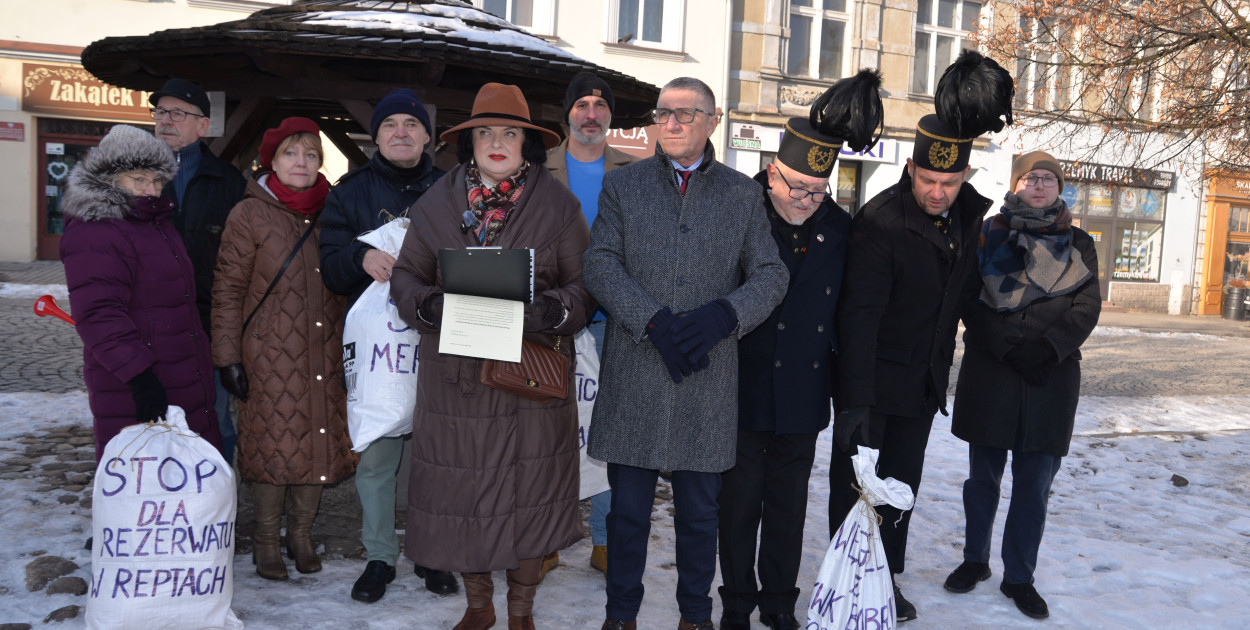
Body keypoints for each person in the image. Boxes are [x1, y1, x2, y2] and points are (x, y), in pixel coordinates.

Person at [583, 76, 789, 630]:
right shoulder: (623, 188)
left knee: (701, 516)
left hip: (707, 375)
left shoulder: (743, 194)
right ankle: (620, 615)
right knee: (627, 515)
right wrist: (651, 320)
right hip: (636, 370)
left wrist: (724, 316)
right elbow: (600, 263)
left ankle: (695, 617)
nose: (671, 124)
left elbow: (771, 274)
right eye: (664, 114)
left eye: (686, 114)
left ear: (713, 121)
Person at [389, 82, 590, 630]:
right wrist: (432, 308)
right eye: (485, 132)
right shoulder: (437, 202)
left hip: (529, 383)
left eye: (509, 132)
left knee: (530, 502)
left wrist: (547, 313)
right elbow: (406, 277)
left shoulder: (559, 206)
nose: (496, 142)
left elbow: (585, 286)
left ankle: (520, 612)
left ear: (527, 141)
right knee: (465, 501)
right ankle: (479, 607)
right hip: (458, 382)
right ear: (469, 141)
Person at [828, 50, 1015, 623]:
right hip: (875, 384)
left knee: (901, 490)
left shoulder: (967, 219)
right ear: (911, 171)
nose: (938, 192)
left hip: (923, 383)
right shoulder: (881, 223)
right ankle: (850, 582)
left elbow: (961, 301)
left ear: (964, 176)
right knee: (859, 491)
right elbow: (858, 317)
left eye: (949, 181)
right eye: (928, 180)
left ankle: (887, 580)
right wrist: (854, 400)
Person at [718, 71, 883, 630]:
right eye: (797, 189)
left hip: (803, 394)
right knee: (739, 507)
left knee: (788, 509)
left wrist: (853, 397)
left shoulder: (840, 228)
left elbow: (852, 318)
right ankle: (736, 603)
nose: (807, 201)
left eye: (819, 191)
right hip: (741, 386)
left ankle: (779, 604)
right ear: (771, 173)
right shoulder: (741, 216)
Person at [942, 151, 1100, 619]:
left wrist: (1047, 349)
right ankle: (975, 561)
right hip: (994, 371)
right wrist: (1009, 348)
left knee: (1034, 488)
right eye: (1030, 177)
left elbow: (1086, 307)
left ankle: (1019, 577)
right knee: (982, 480)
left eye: (1048, 178)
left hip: (1050, 378)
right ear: (1016, 185)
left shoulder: (1079, 242)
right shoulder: (987, 233)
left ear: (1060, 188)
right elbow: (968, 298)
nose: (1039, 184)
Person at [317, 88, 453, 602]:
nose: (401, 132)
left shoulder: (451, 189)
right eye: (390, 124)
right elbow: (329, 267)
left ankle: (431, 553)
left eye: (411, 125)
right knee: (377, 457)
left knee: (434, 457)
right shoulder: (349, 193)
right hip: (379, 353)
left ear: (426, 136)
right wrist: (359, 258)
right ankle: (379, 557)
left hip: (439, 342)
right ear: (376, 136)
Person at [210, 117, 357, 581]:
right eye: (291, 153)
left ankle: (301, 536)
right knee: (271, 447)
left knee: (318, 445)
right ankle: (268, 539)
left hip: (324, 350)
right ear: (271, 161)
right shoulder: (248, 214)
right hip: (268, 355)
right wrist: (227, 357)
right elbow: (228, 290)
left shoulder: (334, 211)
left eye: (311, 154)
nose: (302, 162)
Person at [59, 123, 222, 461]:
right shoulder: (95, 231)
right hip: (136, 384)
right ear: (109, 178)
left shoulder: (156, 223)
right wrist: (140, 377)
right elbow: (99, 315)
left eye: (157, 180)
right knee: (144, 489)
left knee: (186, 483)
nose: (151, 189)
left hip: (180, 376)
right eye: (139, 179)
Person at [543, 70, 638, 576]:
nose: (591, 114)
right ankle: (549, 539)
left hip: (613, 324)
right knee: (551, 432)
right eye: (582, 104)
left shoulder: (635, 170)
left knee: (608, 434)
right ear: (568, 114)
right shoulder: (540, 168)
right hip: (553, 322)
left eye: (600, 106)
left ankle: (604, 539)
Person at [149, 78, 247, 466]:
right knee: (147, 424)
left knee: (214, 422)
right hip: (149, 326)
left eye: (178, 113)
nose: (166, 120)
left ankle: (213, 514)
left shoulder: (228, 182)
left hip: (208, 327)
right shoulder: (134, 177)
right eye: (160, 111)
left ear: (202, 126)